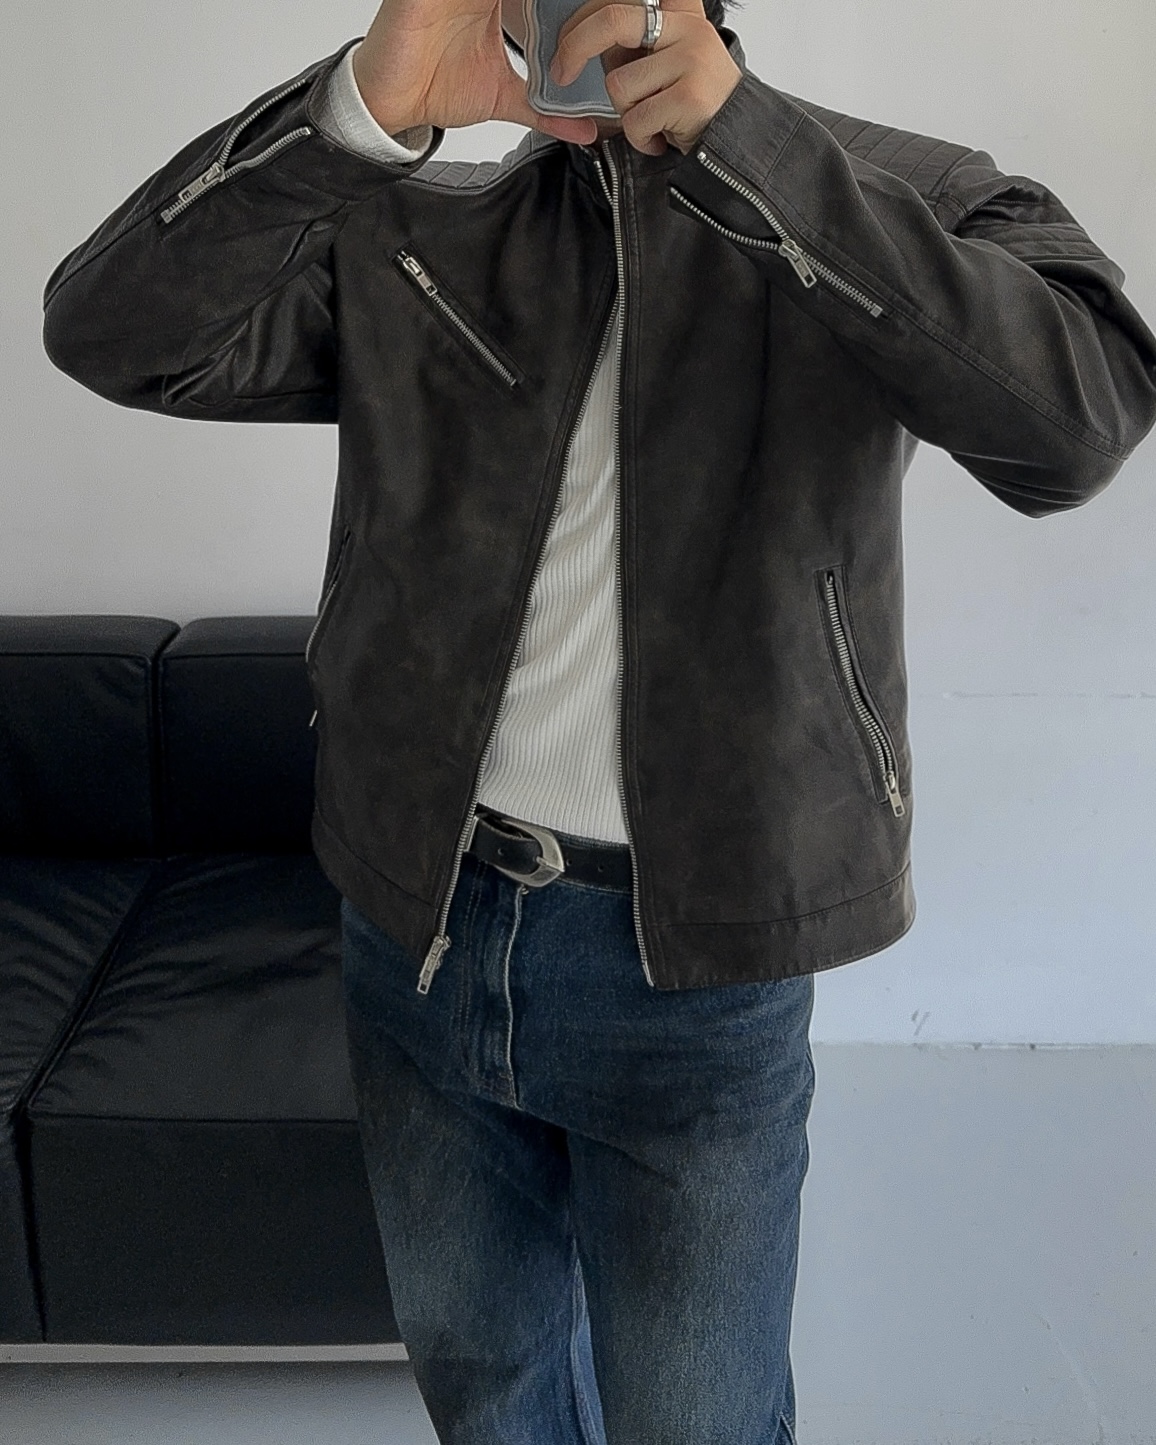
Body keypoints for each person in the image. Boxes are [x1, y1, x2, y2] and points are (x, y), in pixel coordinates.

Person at [41, 0, 1156, 1439]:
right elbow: (115, 333)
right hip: (417, 917)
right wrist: (360, 113)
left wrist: (748, 143)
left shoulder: (894, 191)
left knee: (700, 1417)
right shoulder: (428, 217)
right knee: (485, 1385)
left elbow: (1077, 425)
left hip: (697, 961)